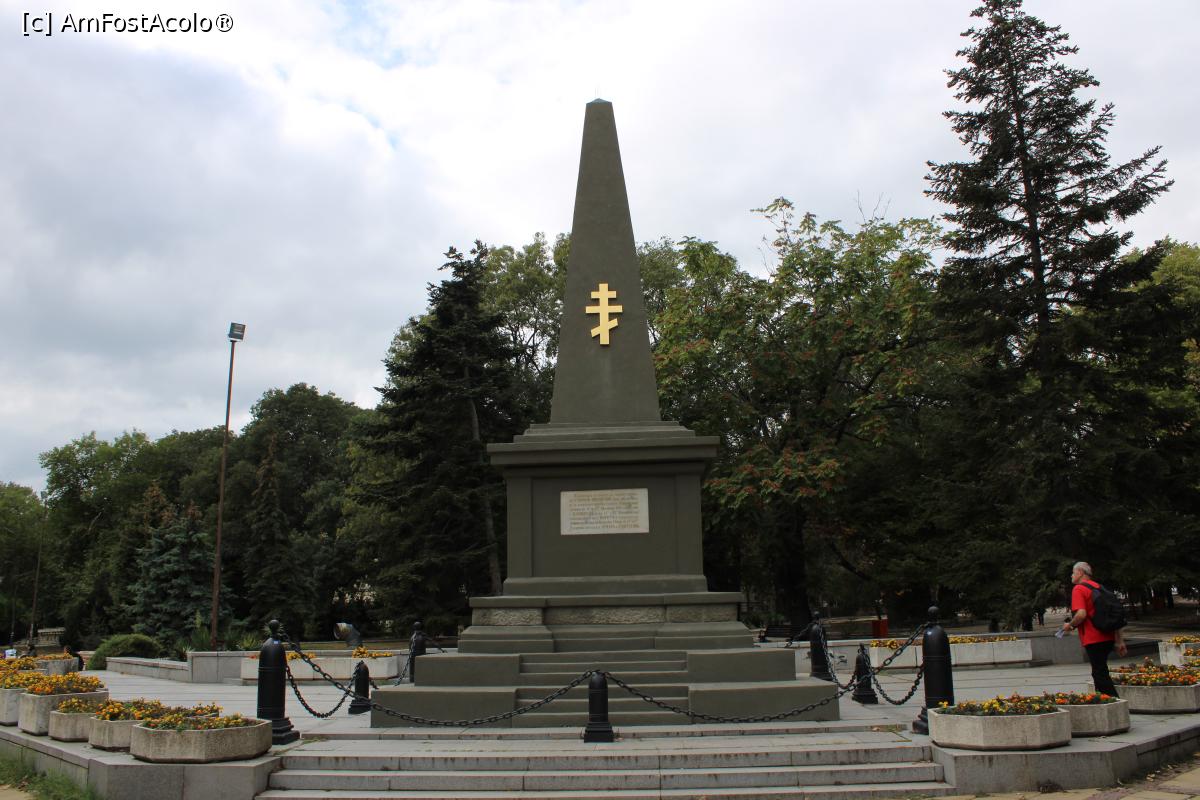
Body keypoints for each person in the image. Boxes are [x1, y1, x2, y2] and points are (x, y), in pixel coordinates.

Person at [1062, 561, 1127, 696]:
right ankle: (1103, 700)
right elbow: (1115, 615)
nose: (1071, 576)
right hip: (1108, 635)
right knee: (1099, 671)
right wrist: (1119, 641)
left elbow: (1081, 614)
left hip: (1093, 638)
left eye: (1073, 573)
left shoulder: (1079, 589)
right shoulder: (1099, 587)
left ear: (1080, 573)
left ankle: (1113, 702)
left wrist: (1070, 625)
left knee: (1100, 673)